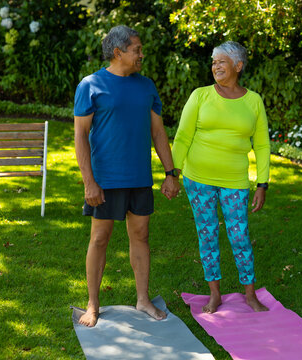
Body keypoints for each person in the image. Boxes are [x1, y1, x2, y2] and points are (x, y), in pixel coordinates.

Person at [73, 25, 180, 327]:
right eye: (137, 49)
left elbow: (158, 132)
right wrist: (89, 181)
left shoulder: (146, 86)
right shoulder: (91, 85)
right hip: (105, 179)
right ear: (118, 52)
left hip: (139, 178)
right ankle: (93, 305)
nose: (141, 54)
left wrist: (170, 173)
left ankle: (143, 299)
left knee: (141, 236)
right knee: (100, 238)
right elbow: (80, 135)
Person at [172, 41, 270, 313]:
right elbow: (182, 137)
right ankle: (214, 293)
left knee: (239, 236)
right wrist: (173, 173)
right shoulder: (200, 96)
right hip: (198, 178)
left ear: (238, 66)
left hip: (235, 180)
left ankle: (250, 294)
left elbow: (261, 145)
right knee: (208, 234)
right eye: (213, 62)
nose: (215, 66)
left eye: (221, 61)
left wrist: (263, 183)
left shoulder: (253, 101)